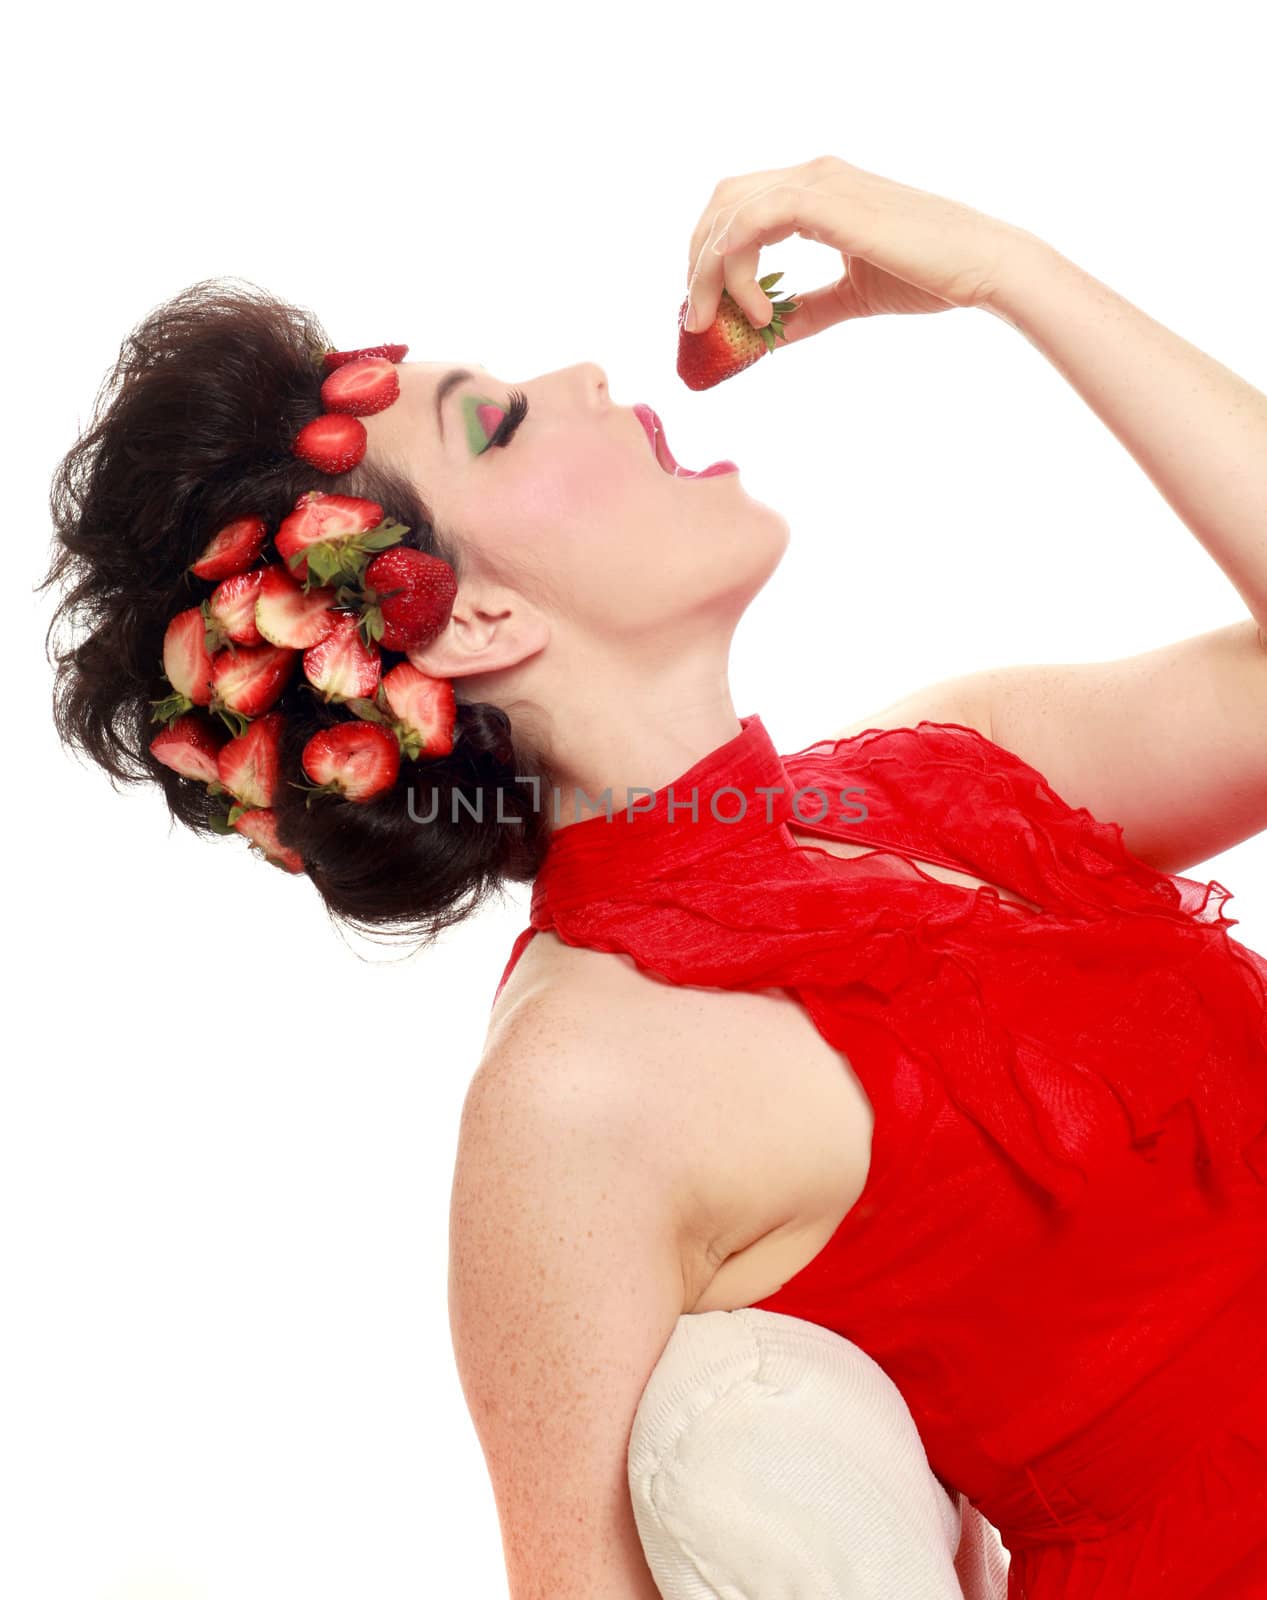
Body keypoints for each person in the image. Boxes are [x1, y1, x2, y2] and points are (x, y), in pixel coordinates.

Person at [41, 154, 1267, 1598]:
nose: (580, 375)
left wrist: (1002, 270)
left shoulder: (958, 762)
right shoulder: (576, 1093)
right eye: (494, 425)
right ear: (475, 616)